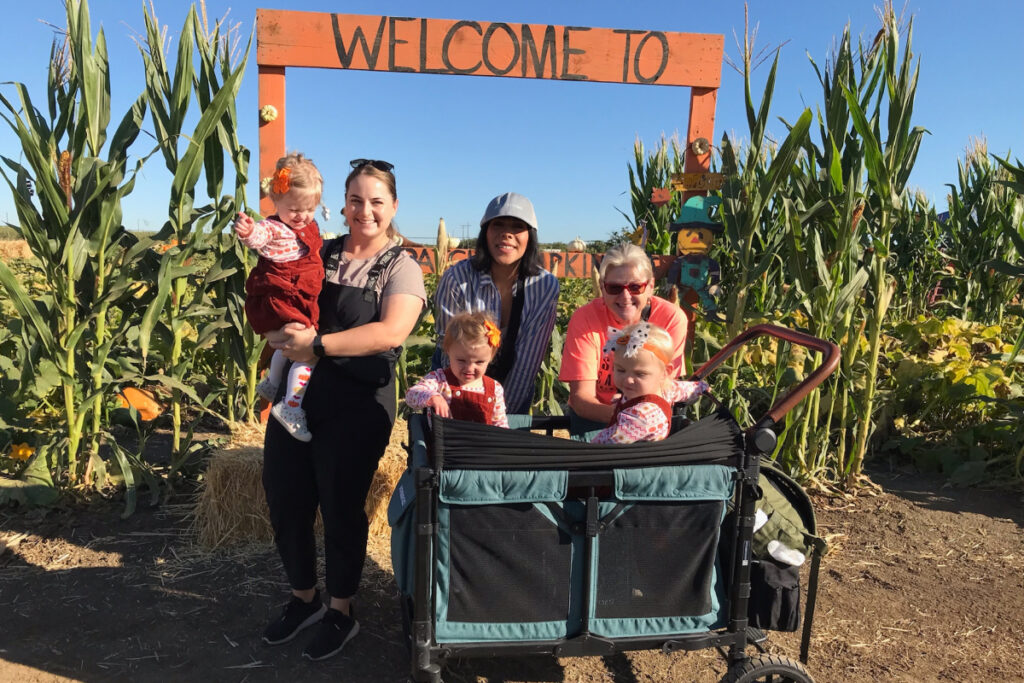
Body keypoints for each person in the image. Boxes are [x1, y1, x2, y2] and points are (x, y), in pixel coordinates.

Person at [259, 158, 426, 661]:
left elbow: (391, 332)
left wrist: (319, 346)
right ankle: (302, 597)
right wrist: (273, 329)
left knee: (339, 505)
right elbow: (280, 289)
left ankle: (341, 609)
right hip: (298, 396)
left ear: (393, 206)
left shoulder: (401, 266)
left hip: (357, 404)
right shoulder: (320, 251)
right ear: (344, 203)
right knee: (285, 496)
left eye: (377, 201)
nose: (365, 211)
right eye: (356, 200)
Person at [433, 192, 559, 415]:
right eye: (498, 224)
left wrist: (500, 419)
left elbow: (527, 363)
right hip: (454, 393)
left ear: (530, 236)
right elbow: (448, 350)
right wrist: (462, 410)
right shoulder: (457, 279)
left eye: (517, 227)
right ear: (485, 233)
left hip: (509, 402)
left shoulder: (544, 286)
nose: (507, 234)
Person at [234, 152, 325, 442]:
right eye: (294, 208)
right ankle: (291, 406)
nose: (302, 216)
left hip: (300, 295)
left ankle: (272, 384)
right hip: (281, 296)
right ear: (276, 201)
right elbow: (258, 237)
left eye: (309, 208)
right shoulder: (274, 227)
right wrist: (248, 231)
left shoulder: (308, 227)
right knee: (307, 352)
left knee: (285, 346)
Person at [559, 241, 688, 435]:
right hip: (595, 418)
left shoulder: (671, 318)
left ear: (651, 286)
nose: (625, 296)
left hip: (649, 417)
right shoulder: (585, 318)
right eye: (614, 288)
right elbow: (581, 399)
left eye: (635, 287)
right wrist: (624, 417)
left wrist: (639, 420)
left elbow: (665, 386)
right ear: (602, 288)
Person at [592, 322, 708, 444]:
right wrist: (701, 387)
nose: (628, 379)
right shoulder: (665, 389)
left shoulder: (641, 416)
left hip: (630, 457)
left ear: (665, 372)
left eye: (640, 374)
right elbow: (683, 389)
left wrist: (584, 450)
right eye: (621, 370)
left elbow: (606, 444)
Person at [406, 312, 510, 427]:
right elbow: (411, 395)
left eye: (479, 362)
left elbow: (501, 425)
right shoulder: (439, 380)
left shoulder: (495, 389)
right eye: (461, 360)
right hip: (444, 443)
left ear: (490, 358)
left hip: (481, 444)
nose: (470, 368)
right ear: (448, 351)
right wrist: (432, 397)